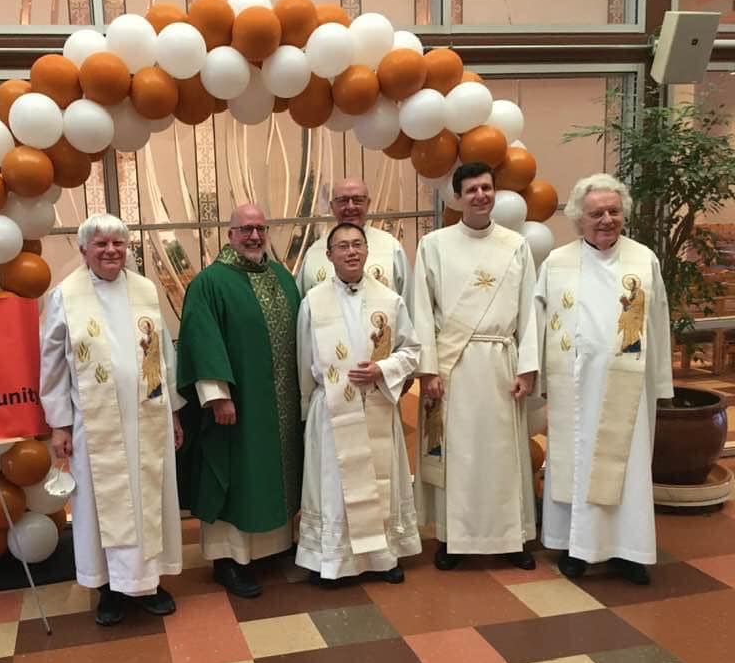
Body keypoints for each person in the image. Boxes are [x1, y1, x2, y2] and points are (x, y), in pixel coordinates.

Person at [40, 213, 183, 626]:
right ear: (84, 249)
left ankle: (149, 583)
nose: (110, 251)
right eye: (101, 244)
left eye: (118, 243)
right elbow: (52, 364)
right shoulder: (66, 296)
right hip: (94, 424)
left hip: (147, 419)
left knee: (150, 499)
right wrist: (59, 424)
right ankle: (108, 590)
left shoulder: (144, 290)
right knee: (100, 505)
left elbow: (164, 356)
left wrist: (174, 412)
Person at [536, 173, 673, 585]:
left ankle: (629, 551)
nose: (606, 220)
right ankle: (575, 548)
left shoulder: (643, 260)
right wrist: (537, 376)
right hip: (575, 386)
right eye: (597, 213)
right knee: (576, 463)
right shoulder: (557, 263)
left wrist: (661, 383)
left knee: (627, 467)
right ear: (579, 218)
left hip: (629, 387)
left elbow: (658, 322)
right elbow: (536, 323)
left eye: (614, 211)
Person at [408, 161, 539, 571]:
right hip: (454, 368)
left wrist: (527, 368)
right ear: (457, 197)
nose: (480, 196)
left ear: (495, 192)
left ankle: (511, 537)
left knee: (503, 454)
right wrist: (428, 369)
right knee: (459, 455)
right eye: (472, 190)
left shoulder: (515, 245)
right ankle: (454, 538)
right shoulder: (435, 245)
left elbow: (529, 310)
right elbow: (421, 310)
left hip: (501, 364)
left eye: (486, 188)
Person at [177, 203, 302, 598]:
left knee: (274, 471)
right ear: (229, 234)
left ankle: (270, 547)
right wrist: (217, 396)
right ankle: (229, 559)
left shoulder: (282, 277)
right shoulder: (211, 282)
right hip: (237, 405)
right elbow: (201, 339)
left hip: (281, 404)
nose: (254, 236)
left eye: (260, 228)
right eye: (245, 229)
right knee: (235, 473)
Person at [296, 222, 422, 584]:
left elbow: (412, 350)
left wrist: (383, 369)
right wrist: (309, 407)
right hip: (332, 408)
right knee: (335, 486)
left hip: (376, 404)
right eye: (343, 246)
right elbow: (304, 360)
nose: (351, 252)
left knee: (380, 482)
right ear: (329, 255)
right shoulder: (313, 301)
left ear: (367, 251)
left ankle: (383, 557)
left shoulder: (390, 300)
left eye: (357, 245)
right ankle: (333, 560)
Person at [297, 178, 411, 300]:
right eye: (343, 200)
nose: (350, 207)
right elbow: (303, 304)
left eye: (357, 200)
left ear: (368, 204)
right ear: (332, 206)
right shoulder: (314, 252)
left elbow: (408, 300)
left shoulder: (391, 247)